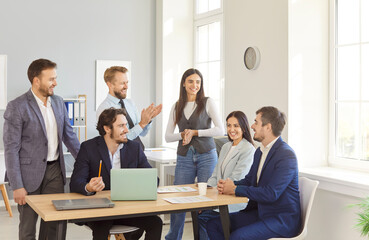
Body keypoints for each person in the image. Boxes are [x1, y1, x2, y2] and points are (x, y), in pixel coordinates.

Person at [3, 58, 80, 240]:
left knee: (54, 224)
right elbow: (11, 149)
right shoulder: (17, 106)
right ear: (36, 80)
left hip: (55, 171)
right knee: (28, 227)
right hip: (27, 175)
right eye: (51, 79)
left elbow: (70, 137)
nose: (56, 83)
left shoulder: (59, 102)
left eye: (56, 78)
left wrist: (87, 160)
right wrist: (17, 186)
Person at [206, 106, 301, 240]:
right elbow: (249, 180)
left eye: (256, 122)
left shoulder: (286, 155)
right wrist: (229, 185)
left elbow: (271, 193)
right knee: (214, 224)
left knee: (238, 237)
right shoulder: (260, 152)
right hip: (260, 213)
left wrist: (235, 189)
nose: (252, 126)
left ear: (268, 127)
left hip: (280, 220)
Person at [70, 108, 162, 240]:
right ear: (107, 129)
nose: (126, 130)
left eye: (126, 125)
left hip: (126, 209)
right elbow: (75, 183)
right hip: (100, 210)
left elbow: (154, 180)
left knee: (156, 223)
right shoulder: (88, 148)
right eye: (121, 126)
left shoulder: (134, 148)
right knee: (102, 226)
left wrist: (142, 184)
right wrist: (89, 187)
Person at [165, 68, 224, 240]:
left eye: (198, 82)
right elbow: (168, 136)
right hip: (184, 157)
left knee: (206, 200)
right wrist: (183, 134)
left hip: (207, 154)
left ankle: (206, 237)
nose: (195, 85)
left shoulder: (208, 102)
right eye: (191, 81)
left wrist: (195, 132)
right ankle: (173, 237)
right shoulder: (176, 106)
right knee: (179, 199)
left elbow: (219, 129)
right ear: (184, 83)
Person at [197, 111, 255, 240]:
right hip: (219, 198)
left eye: (236, 126)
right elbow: (215, 174)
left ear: (244, 128)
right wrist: (205, 192)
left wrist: (216, 192)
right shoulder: (226, 146)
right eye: (229, 125)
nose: (232, 129)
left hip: (233, 202)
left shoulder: (248, 149)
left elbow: (238, 178)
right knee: (199, 214)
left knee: (204, 219)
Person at [96, 66, 162, 150]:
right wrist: (141, 124)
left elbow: (142, 133)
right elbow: (117, 139)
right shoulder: (104, 109)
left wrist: (147, 120)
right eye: (122, 83)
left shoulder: (130, 103)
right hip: (121, 156)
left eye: (127, 82)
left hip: (138, 153)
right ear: (110, 85)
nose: (126, 86)